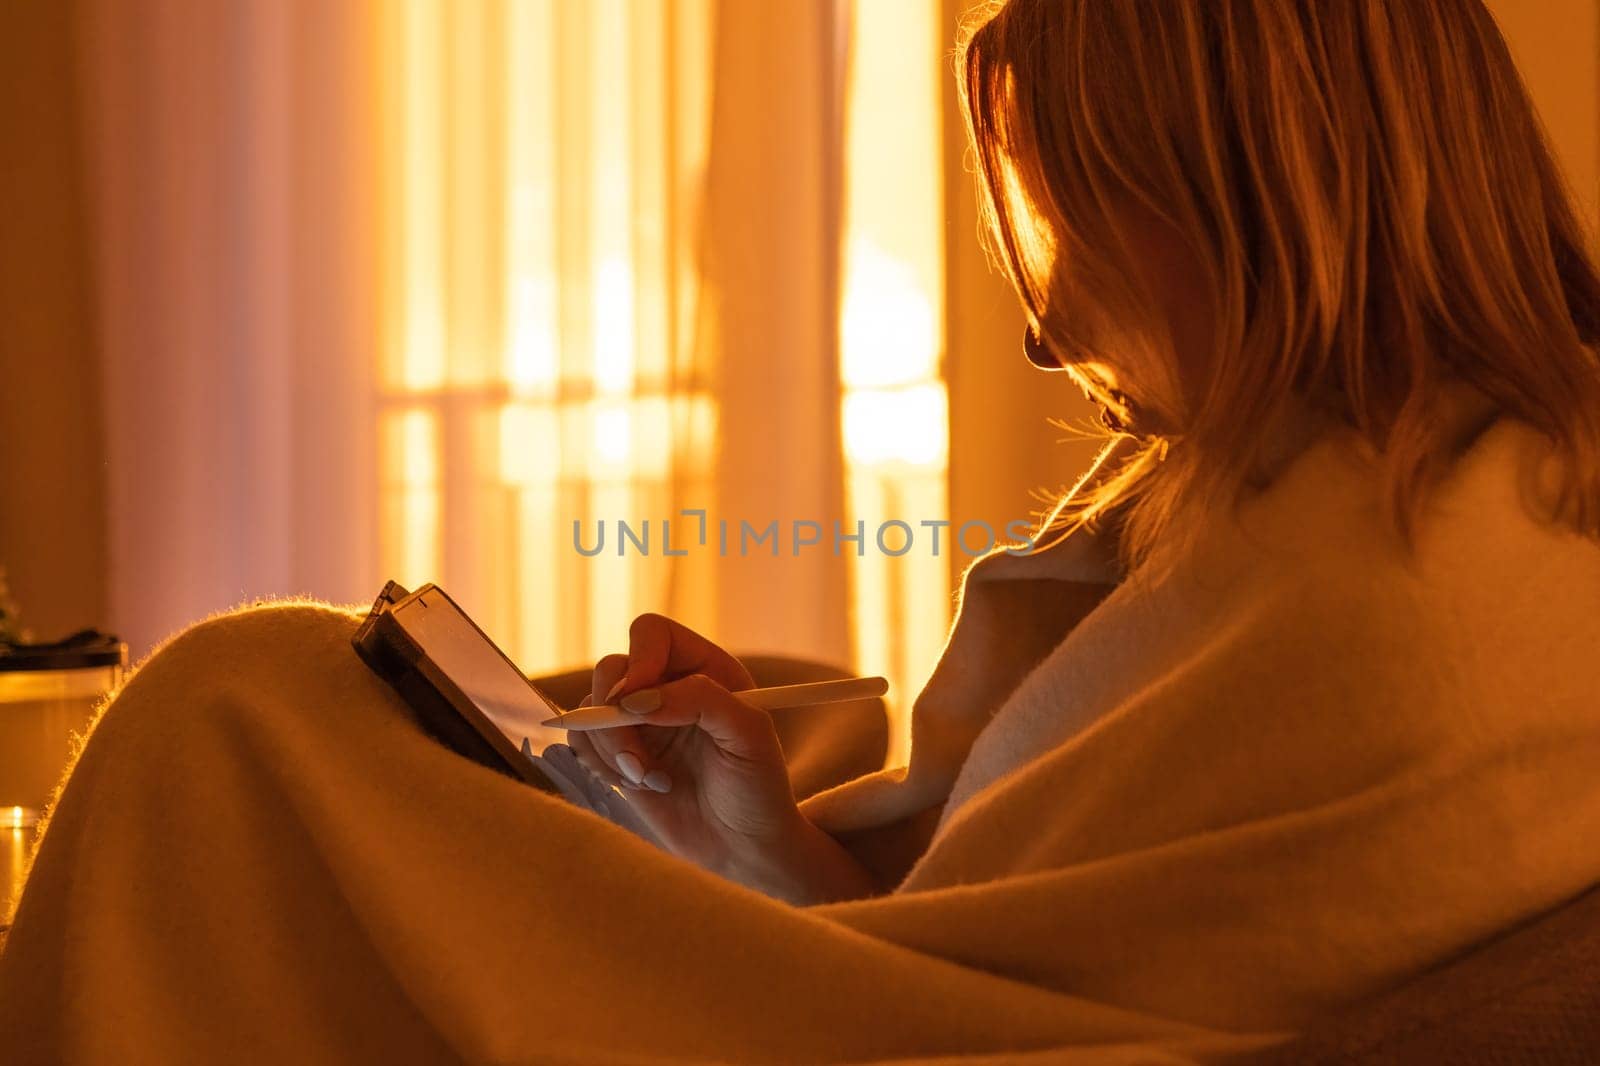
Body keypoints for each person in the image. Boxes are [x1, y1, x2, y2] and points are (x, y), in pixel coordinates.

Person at [4, 1, 1600, 1062]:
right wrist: (781, 846)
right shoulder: (1388, 484)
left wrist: (758, 896)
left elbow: (975, 1015)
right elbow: (1019, 943)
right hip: (847, 969)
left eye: (1078, 224)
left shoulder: (1425, 553)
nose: (1050, 332)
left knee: (240, 722)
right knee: (291, 717)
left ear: (1240, 183)